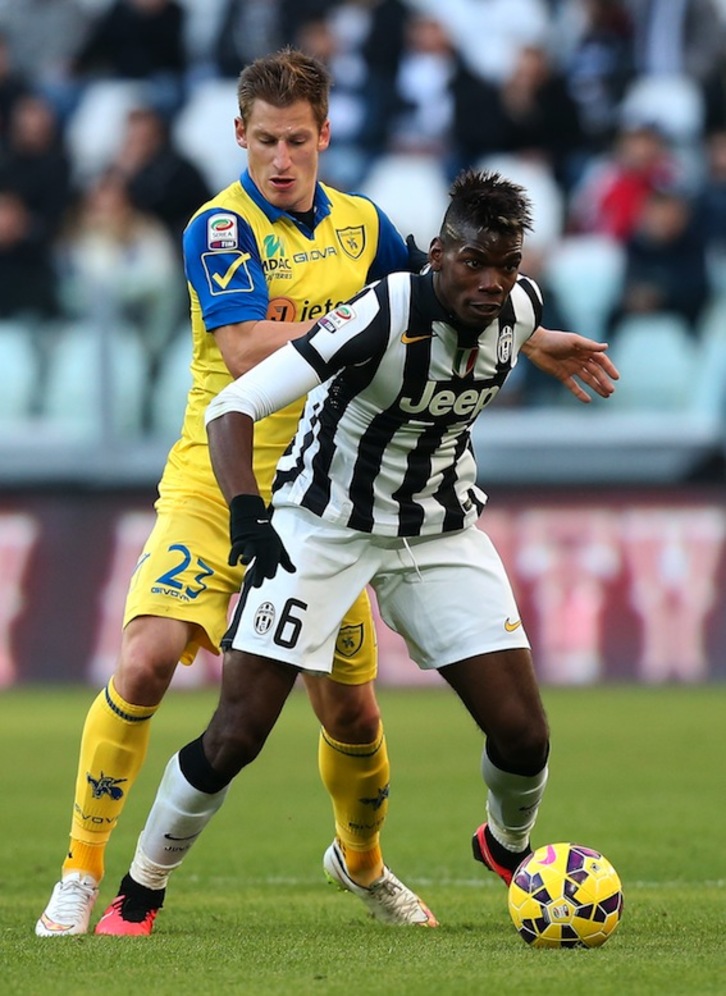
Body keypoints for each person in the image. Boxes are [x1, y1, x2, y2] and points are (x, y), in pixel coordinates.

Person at [102, 168, 619, 931]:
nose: (490, 282)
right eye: (473, 262)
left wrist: (539, 339)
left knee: (525, 734)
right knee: (237, 733)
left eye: (506, 266)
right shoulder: (378, 312)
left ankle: (508, 851)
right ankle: (140, 891)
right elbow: (233, 402)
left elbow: (512, 315)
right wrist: (249, 508)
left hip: (437, 530)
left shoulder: (520, 310)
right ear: (437, 254)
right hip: (322, 527)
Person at [36, 47, 439, 939]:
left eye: (298, 140)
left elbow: (441, 304)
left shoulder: (367, 227)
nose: (281, 160)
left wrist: (541, 337)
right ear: (239, 137)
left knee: (353, 710)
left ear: (326, 135)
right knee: (145, 661)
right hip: (212, 489)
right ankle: (80, 869)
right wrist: (361, 326)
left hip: (321, 503)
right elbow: (253, 351)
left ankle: (364, 864)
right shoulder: (219, 227)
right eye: (265, 142)